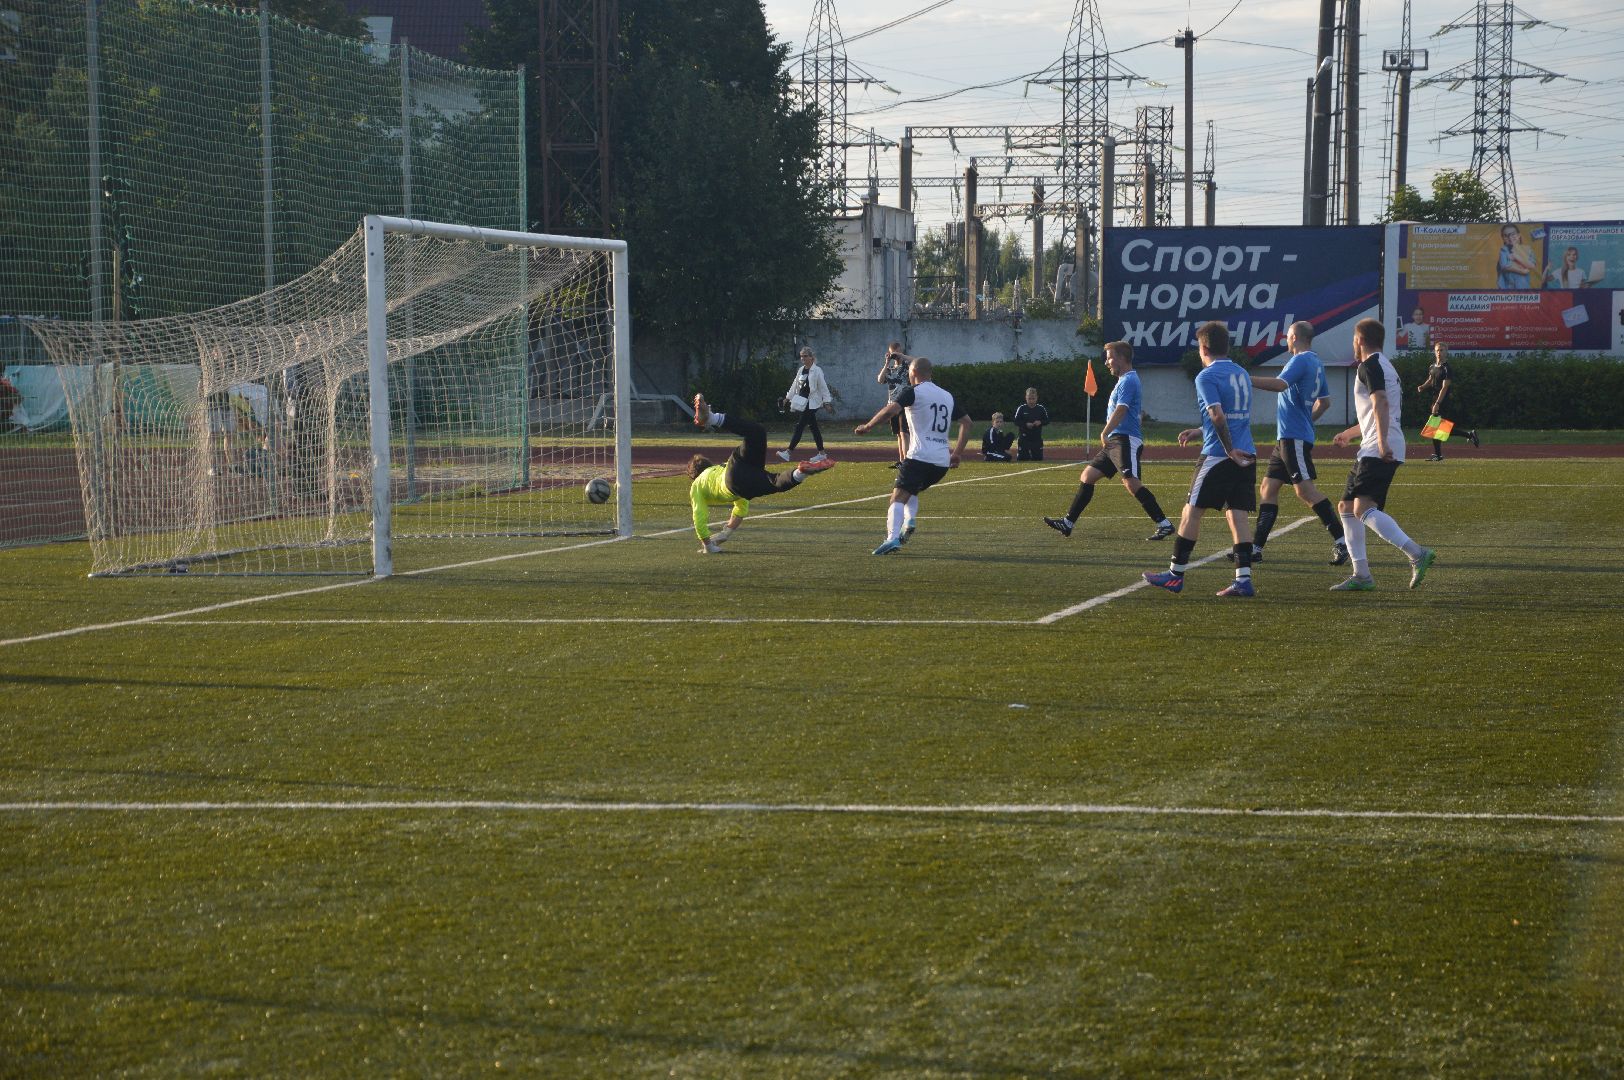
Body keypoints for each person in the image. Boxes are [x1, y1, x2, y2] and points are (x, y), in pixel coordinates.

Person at [1142, 321, 1259, 597]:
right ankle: (1243, 579)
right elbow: (1231, 416)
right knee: (1238, 516)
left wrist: (1227, 449)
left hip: (1219, 455)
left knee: (1191, 512)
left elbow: (1218, 415)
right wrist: (1200, 430)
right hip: (1247, 453)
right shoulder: (1242, 372)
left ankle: (1175, 575)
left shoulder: (1206, 376)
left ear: (1203, 348)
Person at [1328, 318, 1436, 591]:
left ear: (1360, 340)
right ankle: (1361, 575)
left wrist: (1383, 442)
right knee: (1346, 507)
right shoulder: (1385, 365)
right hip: (1373, 444)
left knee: (1363, 508)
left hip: (1378, 446)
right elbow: (1376, 411)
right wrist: (1350, 434)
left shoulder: (1370, 365)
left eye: (1354, 339)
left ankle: (1417, 553)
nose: (1353, 344)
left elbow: (1381, 403)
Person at [1239, 321, 1349, 566]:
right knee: (1268, 488)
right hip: (1288, 437)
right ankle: (1256, 548)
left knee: (1305, 491)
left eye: (1288, 336)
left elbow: (1280, 385)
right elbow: (1325, 402)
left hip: (1293, 437)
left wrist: (1245, 378)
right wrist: (1307, 421)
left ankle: (1343, 542)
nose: (1285, 340)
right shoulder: (1316, 361)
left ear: (1296, 337)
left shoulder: (1300, 360)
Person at [1042, 340, 1175, 541]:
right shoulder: (1124, 381)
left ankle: (1164, 524)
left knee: (1131, 483)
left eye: (1110, 358)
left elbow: (1121, 410)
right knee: (1088, 476)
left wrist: (1104, 433)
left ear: (1122, 358)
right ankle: (1068, 523)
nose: (1107, 362)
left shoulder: (1129, 380)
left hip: (1125, 439)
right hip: (1116, 440)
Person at [853, 353, 972, 555]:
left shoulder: (913, 392)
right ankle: (909, 521)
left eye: (909, 372)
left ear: (914, 372)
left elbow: (890, 410)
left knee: (897, 497)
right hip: (941, 462)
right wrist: (957, 453)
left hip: (919, 456)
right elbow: (967, 423)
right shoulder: (947, 395)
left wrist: (868, 426)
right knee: (911, 490)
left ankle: (892, 538)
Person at [690, 394, 835, 553]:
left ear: (694, 476)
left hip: (734, 484)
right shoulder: (715, 469)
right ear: (708, 465)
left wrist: (708, 545)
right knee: (757, 432)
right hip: (735, 466)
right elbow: (740, 510)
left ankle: (800, 473)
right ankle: (712, 418)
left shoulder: (696, 485)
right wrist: (726, 532)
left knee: (775, 482)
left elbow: (699, 518)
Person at [1416, 341, 1480, 460]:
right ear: (1434, 352)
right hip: (1435, 400)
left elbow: (1444, 387)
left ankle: (1440, 453)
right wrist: (1423, 386)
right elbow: (1431, 379)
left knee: (1437, 428)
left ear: (1446, 352)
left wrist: (1438, 403)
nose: (1439, 352)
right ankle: (1467, 436)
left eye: (1442, 350)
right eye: (1437, 350)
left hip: (1443, 401)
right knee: (1439, 429)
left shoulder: (1447, 369)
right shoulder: (1432, 366)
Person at [779, 346, 837, 463]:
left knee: (800, 426)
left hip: (812, 403)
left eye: (805, 356)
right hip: (802, 402)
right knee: (814, 428)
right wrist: (787, 398)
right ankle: (822, 454)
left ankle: (788, 452)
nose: (803, 358)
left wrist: (826, 402)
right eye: (801, 356)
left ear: (811, 357)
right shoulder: (801, 370)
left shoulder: (817, 370)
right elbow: (794, 385)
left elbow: (823, 387)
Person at [876, 340, 910, 468]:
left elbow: (918, 362)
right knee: (898, 434)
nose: (896, 355)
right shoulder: (890, 369)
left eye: (898, 352)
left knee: (904, 433)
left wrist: (902, 356)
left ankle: (907, 462)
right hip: (892, 405)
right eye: (893, 353)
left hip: (904, 404)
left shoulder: (907, 366)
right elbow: (880, 380)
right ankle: (901, 461)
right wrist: (886, 363)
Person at [1012, 387, 1049, 461]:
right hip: (1024, 437)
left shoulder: (1041, 408)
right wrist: (1026, 424)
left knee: (1038, 458)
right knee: (1022, 459)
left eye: (1033, 398)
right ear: (1026, 397)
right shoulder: (1021, 408)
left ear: (1037, 398)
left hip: (1036, 437)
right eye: (1029, 398)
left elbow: (1047, 420)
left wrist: (1040, 422)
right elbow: (1016, 421)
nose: (1031, 401)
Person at [1496, 223, 1535, 290]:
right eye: (1506, 236)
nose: (1510, 238)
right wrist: (1521, 271)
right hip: (1506, 288)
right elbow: (1504, 266)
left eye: (1513, 234)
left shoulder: (1528, 249)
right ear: (1503, 238)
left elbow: (1531, 265)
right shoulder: (1503, 250)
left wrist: (1516, 257)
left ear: (1519, 235)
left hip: (1523, 287)